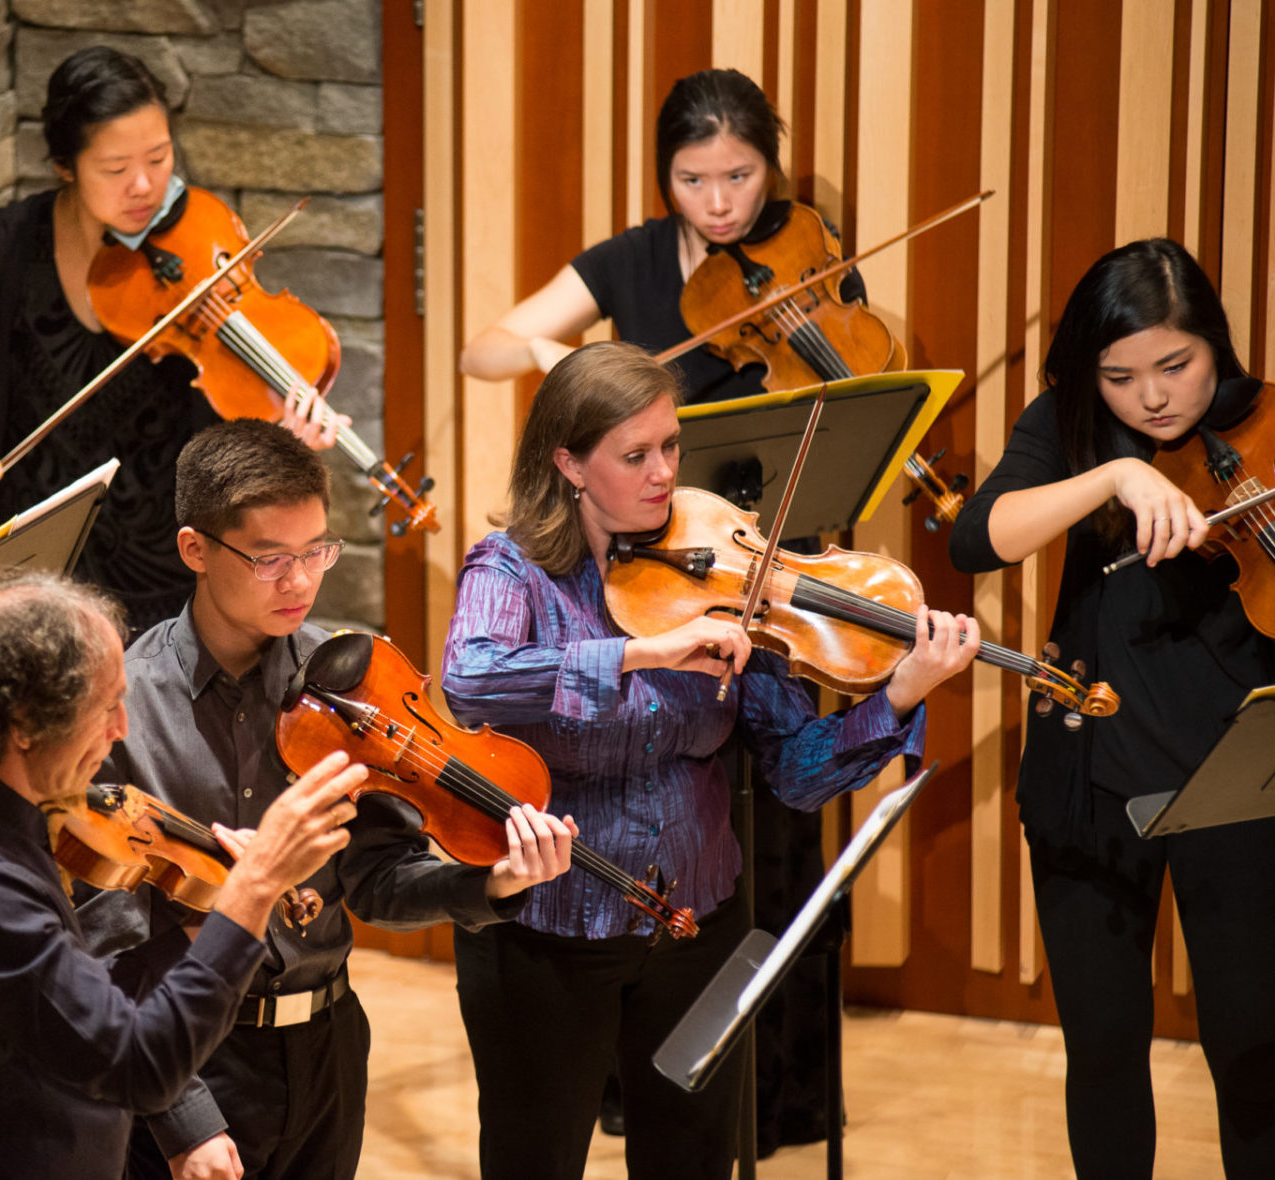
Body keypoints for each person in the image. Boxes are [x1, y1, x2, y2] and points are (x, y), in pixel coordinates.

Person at [440, 341, 978, 1180]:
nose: (663, 474)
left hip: (695, 920)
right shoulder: (513, 570)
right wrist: (639, 654)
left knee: (692, 1163)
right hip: (550, 928)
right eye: (634, 455)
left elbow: (799, 771)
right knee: (533, 1159)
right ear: (569, 464)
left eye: (670, 448)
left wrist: (901, 692)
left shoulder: (722, 575)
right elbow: (470, 682)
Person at [73, 418, 575, 1180]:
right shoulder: (123, 708)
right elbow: (111, 946)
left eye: (317, 552)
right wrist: (185, 1120)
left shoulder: (355, 687)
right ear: (195, 550)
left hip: (329, 1050)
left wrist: (491, 882)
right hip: (190, 1061)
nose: (302, 582)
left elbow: (376, 880)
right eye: (272, 558)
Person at [0, 571, 366, 1179]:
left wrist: (209, 925)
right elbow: (139, 1066)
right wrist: (254, 892)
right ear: (23, 724)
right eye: (105, 708)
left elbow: (73, 998)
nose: (122, 729)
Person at [948, 238, 1275, 1178]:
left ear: (1216, 344)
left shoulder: (1263, 423)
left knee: (1254, 1051)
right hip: (1091, 776)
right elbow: (980, 538)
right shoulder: (1072, 426)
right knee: (1103, 1048)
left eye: (1177, 366)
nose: (1155, 398)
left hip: (1239, 779)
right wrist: (1118, 476)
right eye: (1123, 375)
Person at [0, 46, 332, 633]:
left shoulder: (193, 256)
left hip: (166, 583)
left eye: (159, 157)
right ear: (65, 166)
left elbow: (221, 442)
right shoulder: (5, 243)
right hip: (24, 575)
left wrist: (282, 436)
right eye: (115, 169)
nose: (144, 185)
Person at [460, 66, 870, 403]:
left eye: (739, 177)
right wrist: (538, 349)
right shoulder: (634, 259)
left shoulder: (811, 252)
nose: (718, 204)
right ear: (665, 175)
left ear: (769, 166)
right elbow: (478, 355)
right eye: (692, 180)